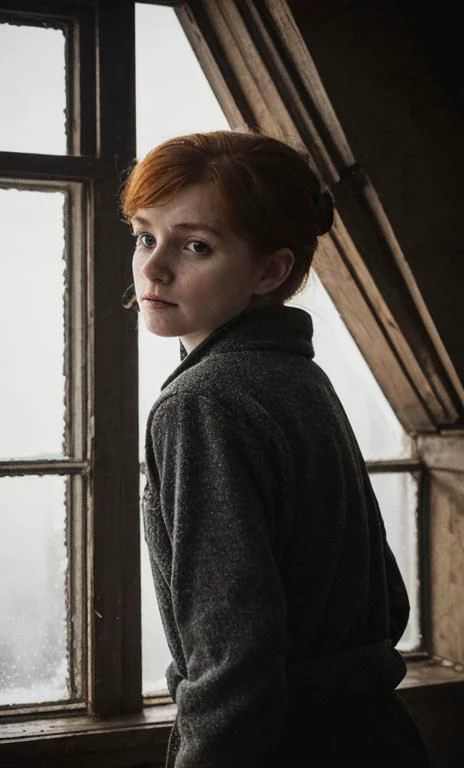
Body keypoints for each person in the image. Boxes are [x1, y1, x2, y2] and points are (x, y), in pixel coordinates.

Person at [119, 130, 432, 767]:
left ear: (271, 269)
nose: (152, 267)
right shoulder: (294, 374)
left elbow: (234, 666)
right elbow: (382, 598)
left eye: (195, 246)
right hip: (378, 739)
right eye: (144, 236)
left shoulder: (203, 402)